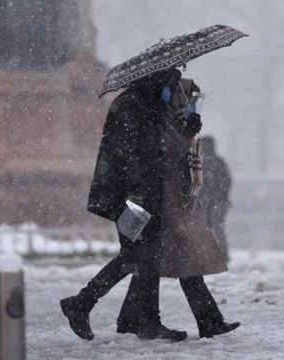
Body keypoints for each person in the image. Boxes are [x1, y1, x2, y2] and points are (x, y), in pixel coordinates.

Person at [60, 68, 238, 341]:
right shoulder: (132, 106)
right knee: (137, 256)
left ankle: (136, 318)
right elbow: (136, 154)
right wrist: (138, 194)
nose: (173, 88)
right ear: (156, 80)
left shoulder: (148, 104)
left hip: (147, 195)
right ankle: (87, 305)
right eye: (169, 82)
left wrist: (186, 130)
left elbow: (160, 149)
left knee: (145, 256)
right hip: (132, 198)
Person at [199, 136, 232, 262]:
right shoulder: (218, 162)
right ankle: (220, 255)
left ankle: (207, 255)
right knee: (217, 229)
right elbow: (226, 182)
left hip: (211, 202)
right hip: (216, 202)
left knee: (209, 229)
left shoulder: (204, 162)